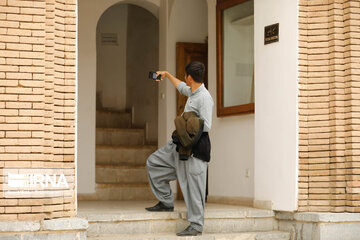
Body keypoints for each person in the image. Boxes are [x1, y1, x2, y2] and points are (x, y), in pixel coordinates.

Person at [145, 61, 214, 236]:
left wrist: (186, 123)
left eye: (185, 76)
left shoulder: (205, 97)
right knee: (153, 163)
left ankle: (196, 225)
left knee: (194, 187)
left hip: (194, 149)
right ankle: (166, 201)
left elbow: (206, 125)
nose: (184, 79)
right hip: (178, 145)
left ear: (190, 77)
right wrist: (167, 74)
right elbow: (181, 87)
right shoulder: (192, 91)